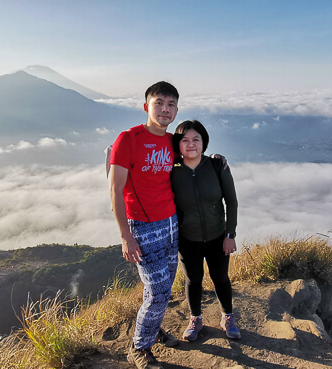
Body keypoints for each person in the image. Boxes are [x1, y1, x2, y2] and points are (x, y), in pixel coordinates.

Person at [109, 81, 181, 369]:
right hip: (142, 225)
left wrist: (214, 160)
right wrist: (125, 236)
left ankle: (152, 327)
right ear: (146, 106)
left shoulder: (172, 141)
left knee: (163, 287)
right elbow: (114, 190)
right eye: (159, 103)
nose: (165, 109)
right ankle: (139, 347)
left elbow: (190, 158)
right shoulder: (129, 139)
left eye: (171, 104)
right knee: (160, 289)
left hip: (172, 223)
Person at [170, 120, 240, 341]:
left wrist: (231, 234)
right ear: (178, 145)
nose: (191, 144)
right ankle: (195, 319)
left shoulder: (217, 166)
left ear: (204, 142)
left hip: (218, 236)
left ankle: (227, 317)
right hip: (187, 238)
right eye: (185, 140)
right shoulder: (171, 171)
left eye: (196, 139)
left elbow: (232, 201)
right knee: (193, 279)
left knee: (221, 278)